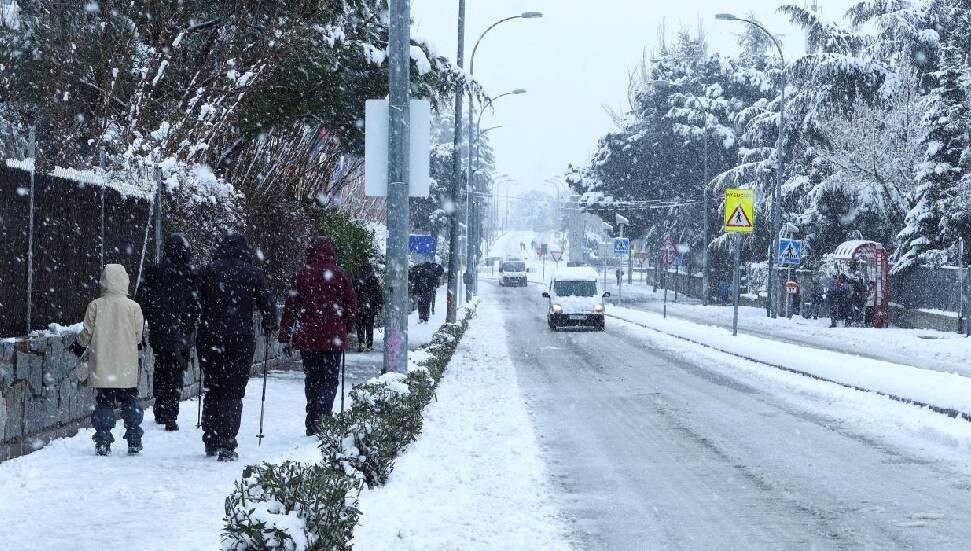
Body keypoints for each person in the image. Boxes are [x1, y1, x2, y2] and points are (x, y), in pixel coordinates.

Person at [196, 232, 277, 461]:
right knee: (233, 391)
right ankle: (228, 441)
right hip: (240, 339)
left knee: (213, 387)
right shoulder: (253, 274)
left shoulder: (208, 271)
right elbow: (268, 304)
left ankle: (211, 438)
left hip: (210, 337)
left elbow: (195, 301)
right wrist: (270, 324)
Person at [278, 236, 358, 436]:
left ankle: (313, 417)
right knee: (329, 379)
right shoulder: (341, 275)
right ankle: (324, 416)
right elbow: (352, 306)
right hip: (333, 337)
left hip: (308, 336)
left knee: (312, 377)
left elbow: (291, 307)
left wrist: (284, 335)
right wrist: (344, 327)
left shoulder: (302, 275)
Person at [69, 264, 145, 456]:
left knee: (104, 402)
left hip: (103, 364)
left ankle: (103, 439)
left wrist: (78, 346)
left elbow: (87, 332)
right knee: (130, 400)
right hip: (126, 364)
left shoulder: (95, 305)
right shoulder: (133, 307)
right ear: (125, 281)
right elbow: (138, 335)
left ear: (104, 281)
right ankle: (134, 436)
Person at [135, 233, 199, 431]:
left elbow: (141, 303)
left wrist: (142, 326)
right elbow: (196, 304)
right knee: (176, 372)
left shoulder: (153, 272)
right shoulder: (191, 274)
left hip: (160, 331)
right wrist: (190, 322)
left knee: (161, 368)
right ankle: (171, 413)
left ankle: (160, 408)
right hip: (182, 333)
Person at [354, 262, 383, 352]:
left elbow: (353, 294)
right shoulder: (374, 280)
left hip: (359, 306)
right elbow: (378, 295)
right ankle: (369, 344)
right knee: (369, 326)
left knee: (360, 325)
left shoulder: (357, 280)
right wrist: (378, 305)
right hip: (370, 307)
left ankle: (361, 342)